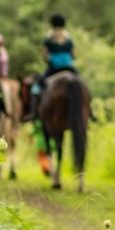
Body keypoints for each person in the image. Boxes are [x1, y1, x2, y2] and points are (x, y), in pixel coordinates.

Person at [31, 15, 77, 172]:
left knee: (36, 88)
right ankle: (89, 113)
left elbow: (45, 55)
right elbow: (73, 54)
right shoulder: (68, 37)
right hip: (68, 67)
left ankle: (35, 112)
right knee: (82, 87)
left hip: (53, 68)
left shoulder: (49, 37)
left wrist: (51, 59)